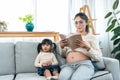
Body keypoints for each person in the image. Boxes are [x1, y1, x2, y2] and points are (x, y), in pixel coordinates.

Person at [58, 12, 102, 80]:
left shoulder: (92, 37)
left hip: (84, 64)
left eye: (81, 22)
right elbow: (63, 55)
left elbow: (98, 57)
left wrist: (87, 47)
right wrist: (62, 47)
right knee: (62, 78)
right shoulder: (70, 37)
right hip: (68, 65)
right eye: (76, 23)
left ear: (86, 23)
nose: (78, 25)